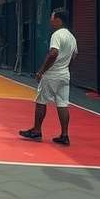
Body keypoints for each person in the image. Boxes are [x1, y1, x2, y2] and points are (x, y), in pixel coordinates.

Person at [19, 8, 78, 145]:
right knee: (63, 104)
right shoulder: (72, 37)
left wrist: (41, 71)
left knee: (41, 101)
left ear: (58, 20)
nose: (50, 21)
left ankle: (37, 131)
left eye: (52, 18)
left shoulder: (57, 35)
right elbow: (74, 55)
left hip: (52, 74)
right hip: (64, 75)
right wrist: (66, 69)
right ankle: (64, 135)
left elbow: (53, 53)